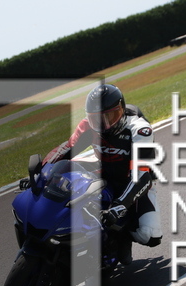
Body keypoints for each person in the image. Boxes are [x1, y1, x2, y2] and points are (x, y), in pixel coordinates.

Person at [41, 83, 162, 264]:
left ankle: (121, 235)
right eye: (96, 119)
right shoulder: (87, 126)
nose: (104, 124)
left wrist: (120, 206)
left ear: (121, 110)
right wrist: (40, 171)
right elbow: (65, 150)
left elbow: (142, 176)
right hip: (102, 174)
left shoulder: (139, 129)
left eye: (110, 116)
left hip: (134, 182)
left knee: (150, 235)